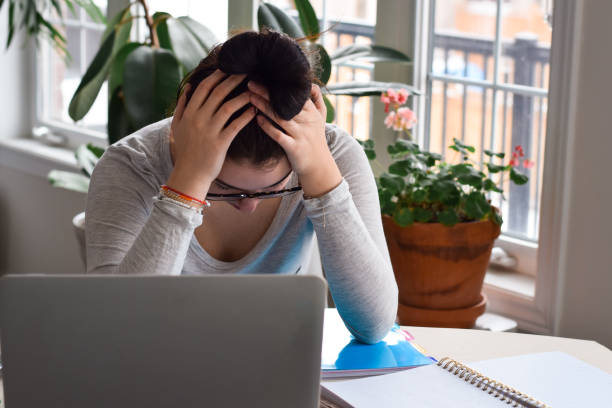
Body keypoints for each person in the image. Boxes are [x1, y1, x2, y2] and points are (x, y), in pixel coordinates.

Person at [85, 29, 398, 344]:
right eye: (221, 186)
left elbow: (374, 324)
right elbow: (118, 333)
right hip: (157, 372)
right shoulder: (130, 166)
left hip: (275, 367)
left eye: (273, 189)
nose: (249, 206)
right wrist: (186, 184)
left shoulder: (330, 154)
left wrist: (322, 179)